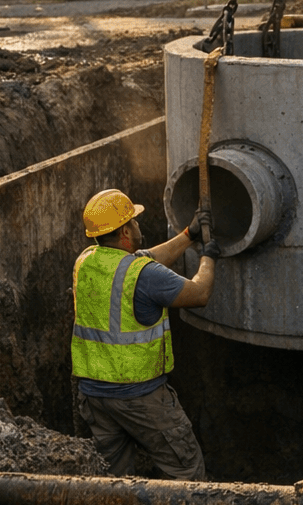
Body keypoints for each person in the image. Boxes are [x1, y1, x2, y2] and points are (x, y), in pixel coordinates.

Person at [72, 189, 217, 480]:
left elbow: (149, 257)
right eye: (135, 222)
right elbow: (199, 293)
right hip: (140, 398)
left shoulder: (87, 260)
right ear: (126, 231)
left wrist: (189, 234)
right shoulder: (145, 275)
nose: (139, 226)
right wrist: (208, 259)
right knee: (185, 469)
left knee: (111, 479)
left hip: (94, 397)